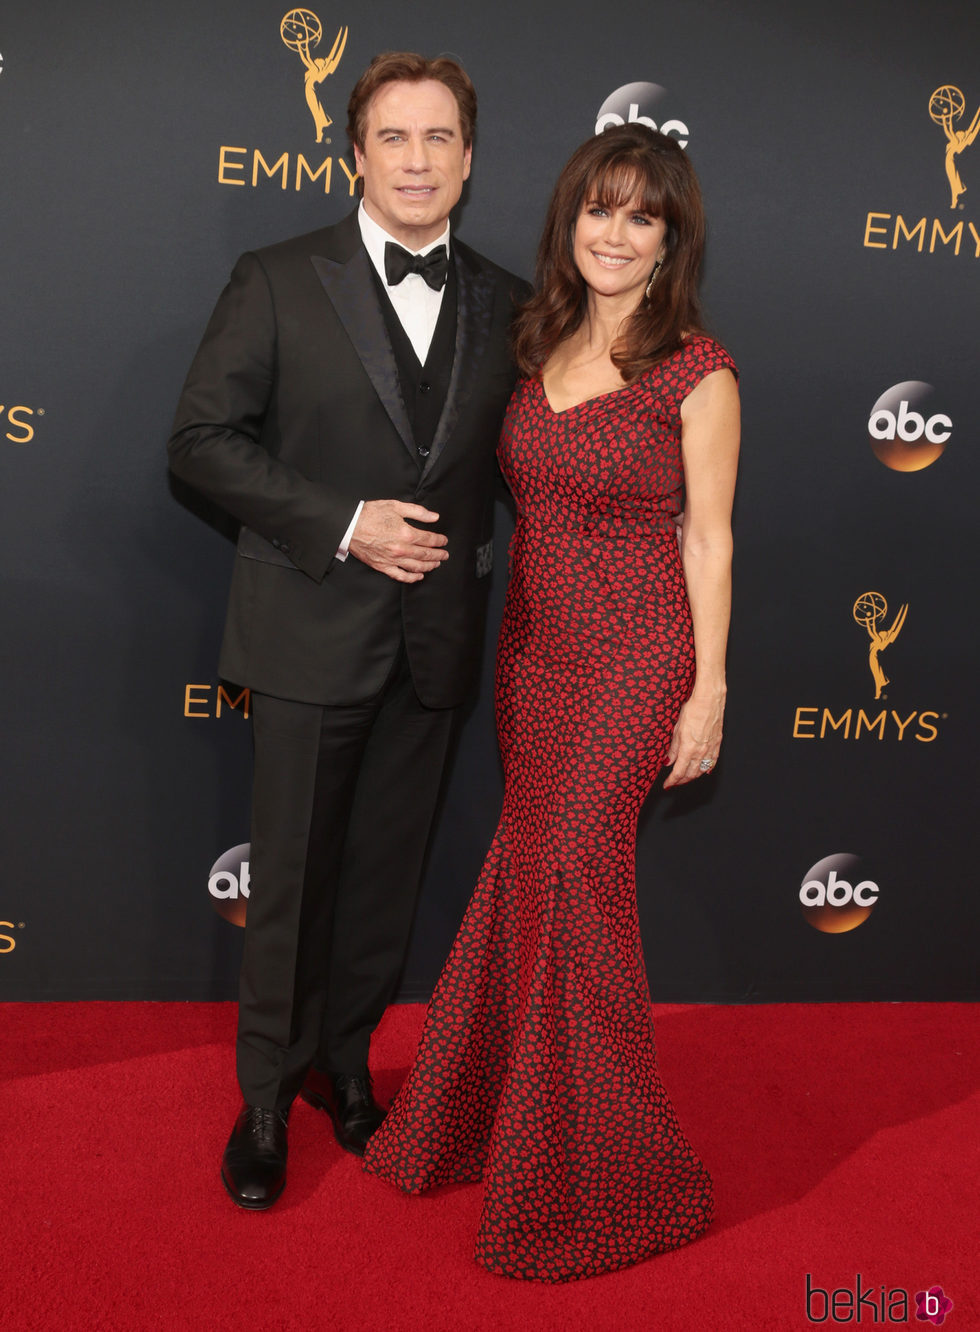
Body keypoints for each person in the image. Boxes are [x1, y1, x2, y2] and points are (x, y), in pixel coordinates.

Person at [364, 123, 740, 1282]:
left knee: (573, 892)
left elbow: (709, 538)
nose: (614, 233)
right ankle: (481, 1121)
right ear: (566, 219)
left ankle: (613, 1175)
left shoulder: (697, 369)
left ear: (669, 239)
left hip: (635, 662)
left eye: (641, 216)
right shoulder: (535, 344)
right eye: (598, 209)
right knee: (530, 886)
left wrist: (706, 690)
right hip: (531, 658)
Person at [167, 52, 528, 1210]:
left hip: (435, 646)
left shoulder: (509, 300)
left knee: (381, 881)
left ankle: (342, 1063)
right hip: (306, 633)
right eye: (392, 138)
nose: (416, 160)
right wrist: (344, 524)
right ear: (353, 152)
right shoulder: (274, 278)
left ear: (468, 159)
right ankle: (264, 1096)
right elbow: (202, 441)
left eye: (438, 139)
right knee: (290, 886)